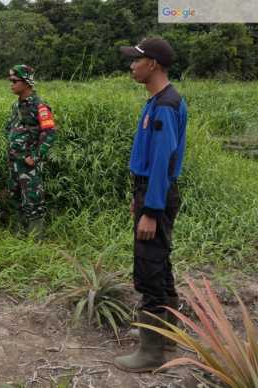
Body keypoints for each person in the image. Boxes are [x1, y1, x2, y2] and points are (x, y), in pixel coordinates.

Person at [114, 38, 187, 373]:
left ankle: (152, 352)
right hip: (148, 192)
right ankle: (165, 335)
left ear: (153, 64)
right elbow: (150, 160)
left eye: (136, 61)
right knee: (160, 261)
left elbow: (161, 161)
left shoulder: (166, 106)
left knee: (149, 269)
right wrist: (138, 197)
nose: (132, 65)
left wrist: (151, 211)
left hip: (156, 195)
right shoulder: (157, 100)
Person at [4, 64, 57, 236]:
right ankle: (19, 235)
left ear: (26, 82)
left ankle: (36, 239)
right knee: (15, 198)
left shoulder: (39, 106)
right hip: (14, 161)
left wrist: (35, 156)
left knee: (33, 201)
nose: (11, 84)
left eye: (14, 81)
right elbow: (10, 129)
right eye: (10, 81)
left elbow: (50, 133)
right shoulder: (16, 106)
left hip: (29, 163)